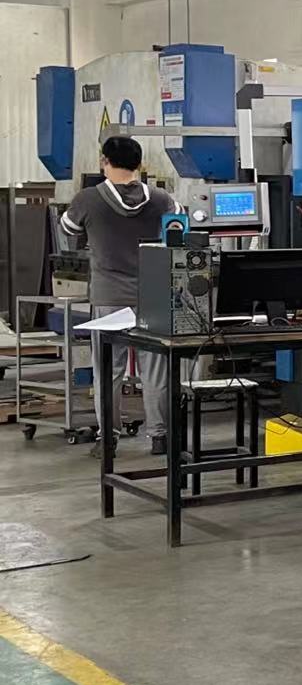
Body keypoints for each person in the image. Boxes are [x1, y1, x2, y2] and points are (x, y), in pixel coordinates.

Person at [60, 137, 179, 454]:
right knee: (156, 368)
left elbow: (68, 228)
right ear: (139, 163)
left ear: (104, 161)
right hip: (153, 293)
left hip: (109, 295)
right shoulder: (161, 198)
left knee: (108, 370)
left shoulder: (88, 199)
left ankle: (108, 440)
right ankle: (160, 437)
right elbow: (178, 226)